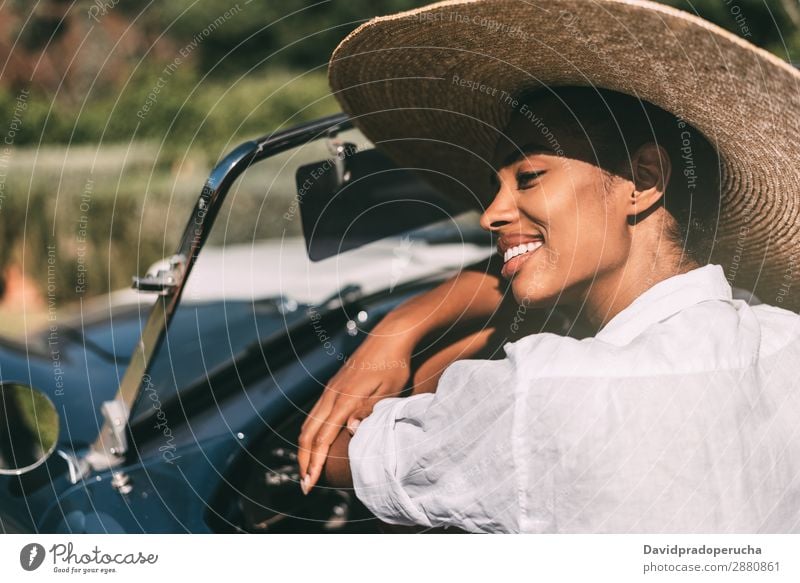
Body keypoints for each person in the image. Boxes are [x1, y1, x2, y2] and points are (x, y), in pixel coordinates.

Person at [297, 0, 800, 532]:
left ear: (645, 179)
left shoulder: (544, 387)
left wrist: (403, 326)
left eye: (530, 175)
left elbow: (334, 454)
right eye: (496, 184)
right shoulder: (785, 340)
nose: (491, 212)